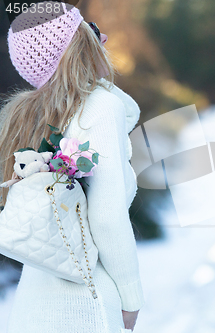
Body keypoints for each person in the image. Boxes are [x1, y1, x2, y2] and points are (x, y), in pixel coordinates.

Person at [0, 3, 145, 332]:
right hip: (85, 304)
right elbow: (106, 218)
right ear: (76, 46)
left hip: (32, 303)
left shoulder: (29, 117)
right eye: (90, 30)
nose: (103, 37)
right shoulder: (100, 107)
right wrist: (131, 297)